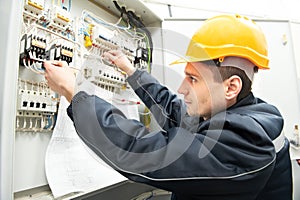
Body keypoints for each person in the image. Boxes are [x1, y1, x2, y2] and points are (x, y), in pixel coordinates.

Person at [44, 14, 292, 200]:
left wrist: (74, 92)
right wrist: (130, 70)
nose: (182, 89)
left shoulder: (246, 141)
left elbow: (139, 151)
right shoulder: (234, 113)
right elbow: (175, 111)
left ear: (230, 87)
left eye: (193, 79)